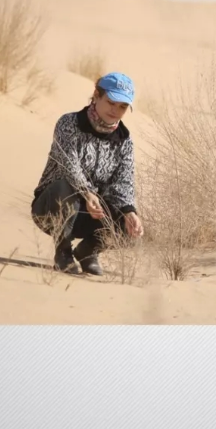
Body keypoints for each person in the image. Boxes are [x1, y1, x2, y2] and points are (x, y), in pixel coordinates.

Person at [31, 72, 144, 276]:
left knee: (130, 221)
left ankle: (88, 252)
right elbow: (68, 164)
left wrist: (129, 211)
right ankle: (63, 251)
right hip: (52, 208)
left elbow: (123, 181)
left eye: (122, 107)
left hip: (93, 212)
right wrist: (87, 193)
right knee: (64, 186)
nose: (115, 110)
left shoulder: (124, 140)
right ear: (96, 95)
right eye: (111, 102)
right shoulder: (69, 123)